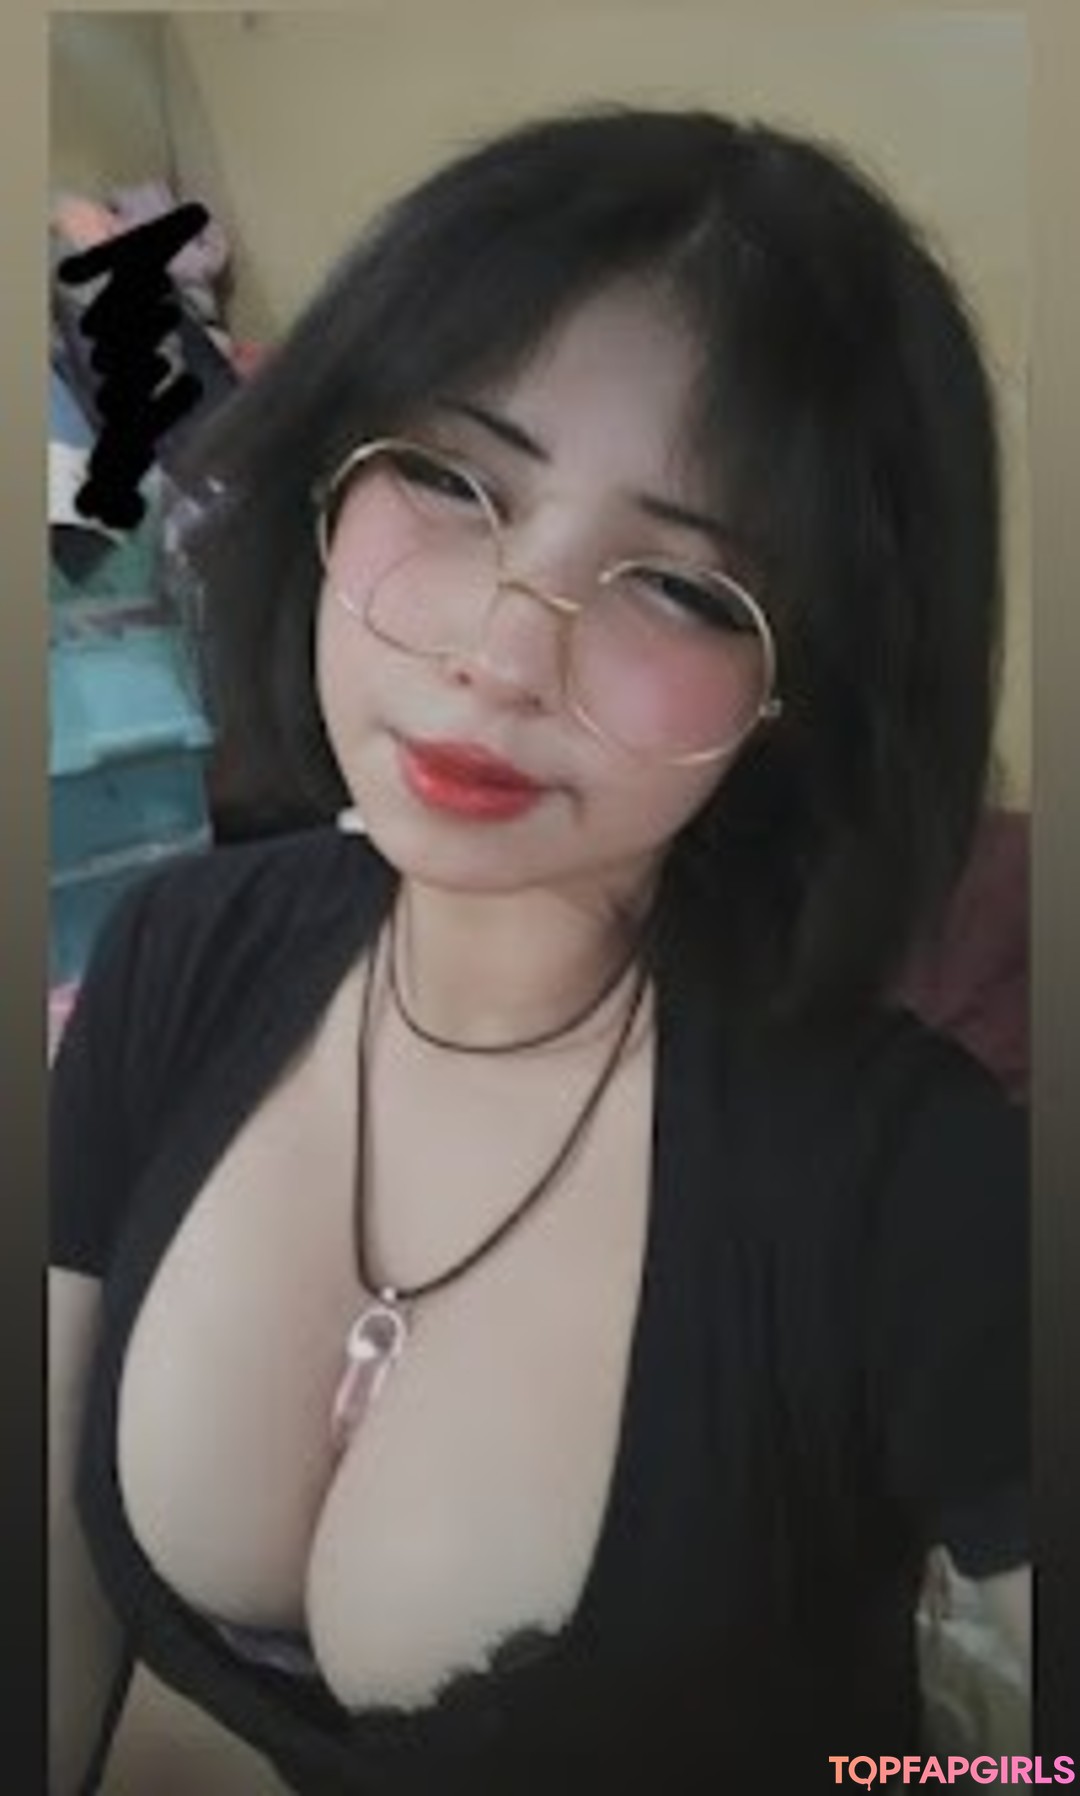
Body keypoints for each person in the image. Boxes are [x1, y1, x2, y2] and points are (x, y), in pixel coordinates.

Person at [49, 105, 1029, 1793]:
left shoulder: (913, 1186)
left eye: (686, 589)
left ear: (804, 696)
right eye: (450, 482)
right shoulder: (176, 956)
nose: (505, 655)